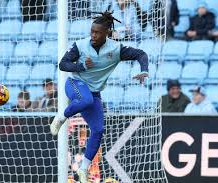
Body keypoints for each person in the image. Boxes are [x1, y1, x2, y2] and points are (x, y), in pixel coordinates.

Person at [50, 11, 149, 182]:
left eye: (97, 32)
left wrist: (144, 70)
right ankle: (60, 117)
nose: (93, 35)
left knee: (98, 130)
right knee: (85, 99)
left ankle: (83, 169)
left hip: (94, 92)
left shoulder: (116, 49)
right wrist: (81, 66)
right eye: (92, 31)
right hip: (75, 84)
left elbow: (141, 54)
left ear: (107, 33)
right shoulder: (80, 45)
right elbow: (63, 64)